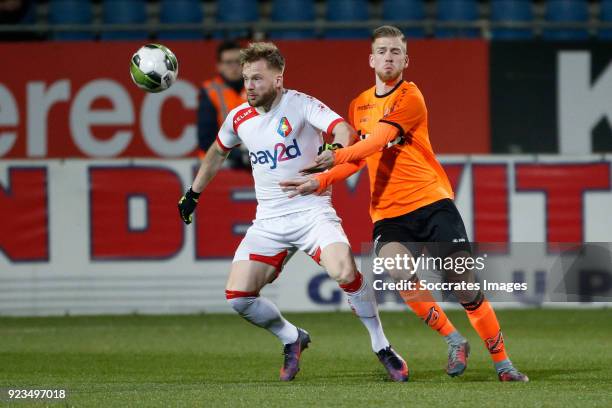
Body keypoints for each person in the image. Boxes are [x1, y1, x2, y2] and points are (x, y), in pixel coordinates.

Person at [280, 25, 528, 382]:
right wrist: (316, 182)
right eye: (382, 51)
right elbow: (356, 160)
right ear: (371, 58)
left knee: (464, 284)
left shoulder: (411, 97)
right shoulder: (359, 104)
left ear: (406, 59)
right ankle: (453, 339)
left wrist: (332, 158)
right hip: (388, 211)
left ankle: (503, 364)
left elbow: (377, 141)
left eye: (395, 52)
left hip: (431, 201)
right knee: (397, 269)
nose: (388, 57)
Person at [178, 42, 408, 382]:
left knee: (344, 271)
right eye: (246, 79)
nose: (250, 86)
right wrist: (193, 193)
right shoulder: (238, 118)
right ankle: (291, 337)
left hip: (311, 210)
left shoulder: (300, 104)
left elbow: (343, 129)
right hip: (269, 220)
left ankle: (381, 346)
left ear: (278, 80)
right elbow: (215, 151)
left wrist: (333, 150)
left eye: (257, 78)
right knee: (238, 298)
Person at [197, 40, 250, 169]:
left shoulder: (256, 87)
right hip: (217, 163)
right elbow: (206, 139)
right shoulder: (210, 91)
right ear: (219, 66)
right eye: (228, 62)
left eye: (238, 61)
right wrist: (239, 155)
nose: (234, 66)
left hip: (252, 159)